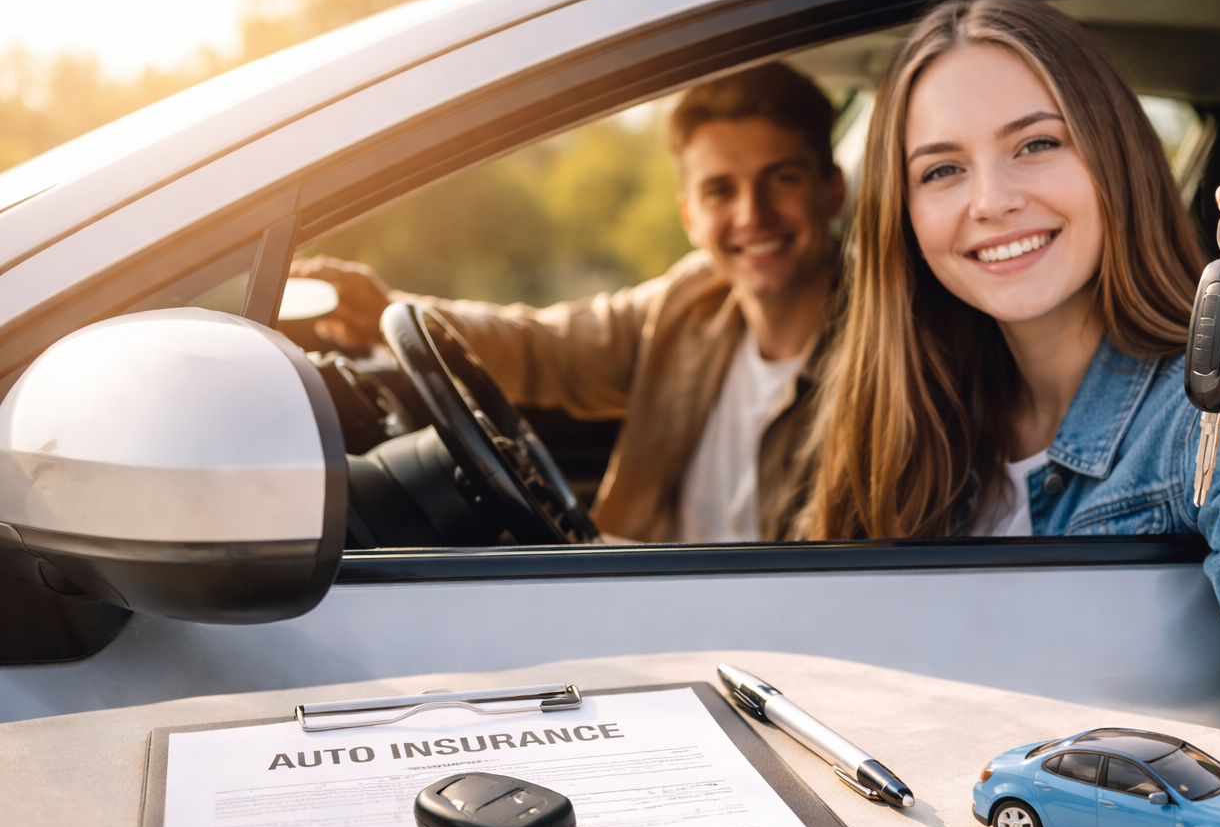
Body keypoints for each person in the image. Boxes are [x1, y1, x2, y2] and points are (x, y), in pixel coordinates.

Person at [803, 0, 1220, 747]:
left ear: (1113, 158)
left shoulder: (1218, 411)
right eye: (941, 170)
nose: (991, 201)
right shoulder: (908, 412)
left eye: (1036, 145)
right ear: (901, 211)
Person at [294, 63, 845, 543]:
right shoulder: (690, 301)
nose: (752, 214)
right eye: (721, 190)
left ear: (833, 190)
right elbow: (545, 347)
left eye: (783, 179)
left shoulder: (892, 346)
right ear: (690, 217)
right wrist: (388, 309)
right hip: (638, 599)